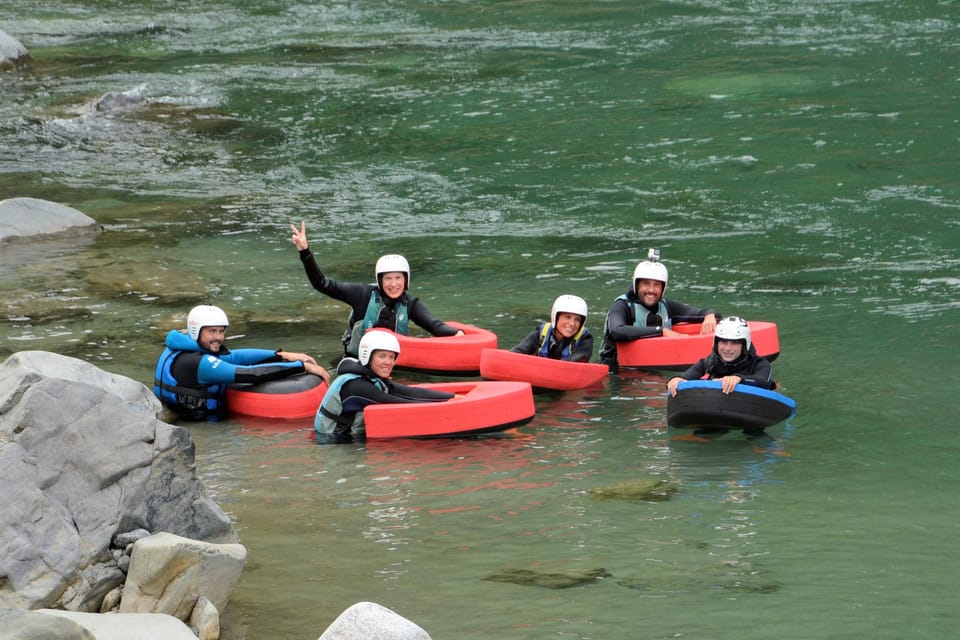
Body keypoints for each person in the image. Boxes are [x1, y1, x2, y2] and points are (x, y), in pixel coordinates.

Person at [290, 221, 464, 359]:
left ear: (406, 280)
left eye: (398, 278)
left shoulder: (410, 303)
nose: (393, 284)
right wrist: (305, 253)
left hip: (388, 364)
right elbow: (323, 284)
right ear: (380, 280)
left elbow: (435, 326)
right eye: (388, 278)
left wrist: (457, 334)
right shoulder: (363, 295)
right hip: (356, 361)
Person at [154, 304, 330, 421]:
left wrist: (282, 355)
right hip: (204, 426)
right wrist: (301, 366)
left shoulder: (181, 346)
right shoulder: (199, 363)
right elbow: (251, 374)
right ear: (196, 331)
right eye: (212, 332)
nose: (218, 337)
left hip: (182, 413)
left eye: (221, 331)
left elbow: (234, 356)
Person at [315, 329, 454, 443]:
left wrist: (453, 397)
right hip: (334, 443)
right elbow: (401, 403)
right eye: (382, 356)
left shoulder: (371, 377)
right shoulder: (357, 387)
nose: (388, 362)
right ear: (368, 357)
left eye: (391, 357)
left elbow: (409, 391)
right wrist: (450, 408)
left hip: (348, 438)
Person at [599, 248, 720, 370]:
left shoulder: (666, 305)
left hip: (652, 366)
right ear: (637, 285)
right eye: (646, 284)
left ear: (663, 288)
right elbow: (616, 330)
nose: (651, 290)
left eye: (656, 285)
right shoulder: (622, 305)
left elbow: (701, 313)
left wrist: (710, 315)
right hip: (617, 369)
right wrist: (661, 331)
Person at [665, 316, 776, 436]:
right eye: (723, 342)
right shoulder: (708, 362)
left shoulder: (760, 363)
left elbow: (765, 381)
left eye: (734, 343)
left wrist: (739, 379)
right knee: (710, 428)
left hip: (752, 412)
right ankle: (704, 436)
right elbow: (684, 378)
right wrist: (674, 380)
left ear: (745, 345)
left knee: (754, 432)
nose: (727, 348)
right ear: (716, 343)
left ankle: (762, 444)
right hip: (718, 412)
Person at [510, 294, 594, 362]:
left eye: (577, 320)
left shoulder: (585, 338)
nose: (572, 324)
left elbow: (579, 359)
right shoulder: (540, 333)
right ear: (556, 317)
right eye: (567, 317)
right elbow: (517, 352)